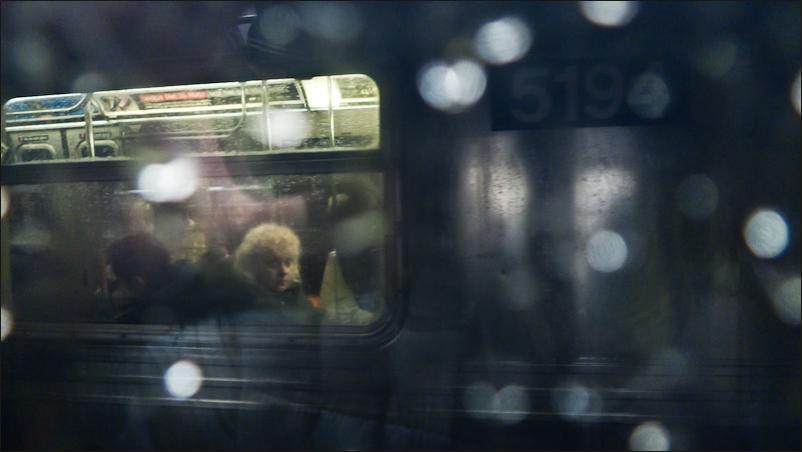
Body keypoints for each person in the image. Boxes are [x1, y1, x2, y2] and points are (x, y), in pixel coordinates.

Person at [233, 222, 320, 324]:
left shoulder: (294, 294)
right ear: (252, 266)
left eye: (288, 263)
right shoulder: (246, 307)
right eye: (273, 263)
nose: (284, 271)